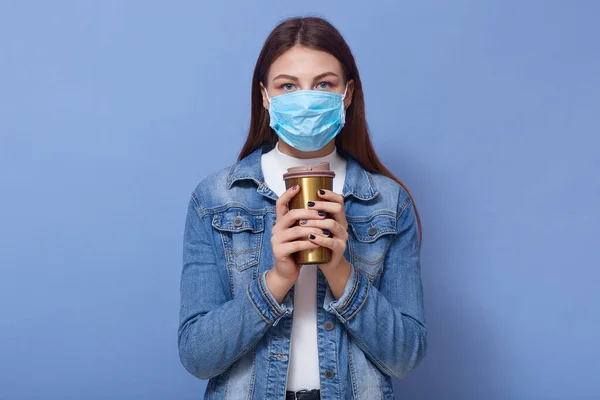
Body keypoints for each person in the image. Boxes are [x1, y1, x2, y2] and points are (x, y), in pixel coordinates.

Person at [178, 16, 427, 400]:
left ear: (347, 93)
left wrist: (341, 268)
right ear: (265, 96)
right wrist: (277, 279)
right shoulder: (214, 200)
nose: (306, 98)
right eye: (288, 86)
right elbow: (197, 357)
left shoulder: (388, 203)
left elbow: (406, 357)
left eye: (323, 84)